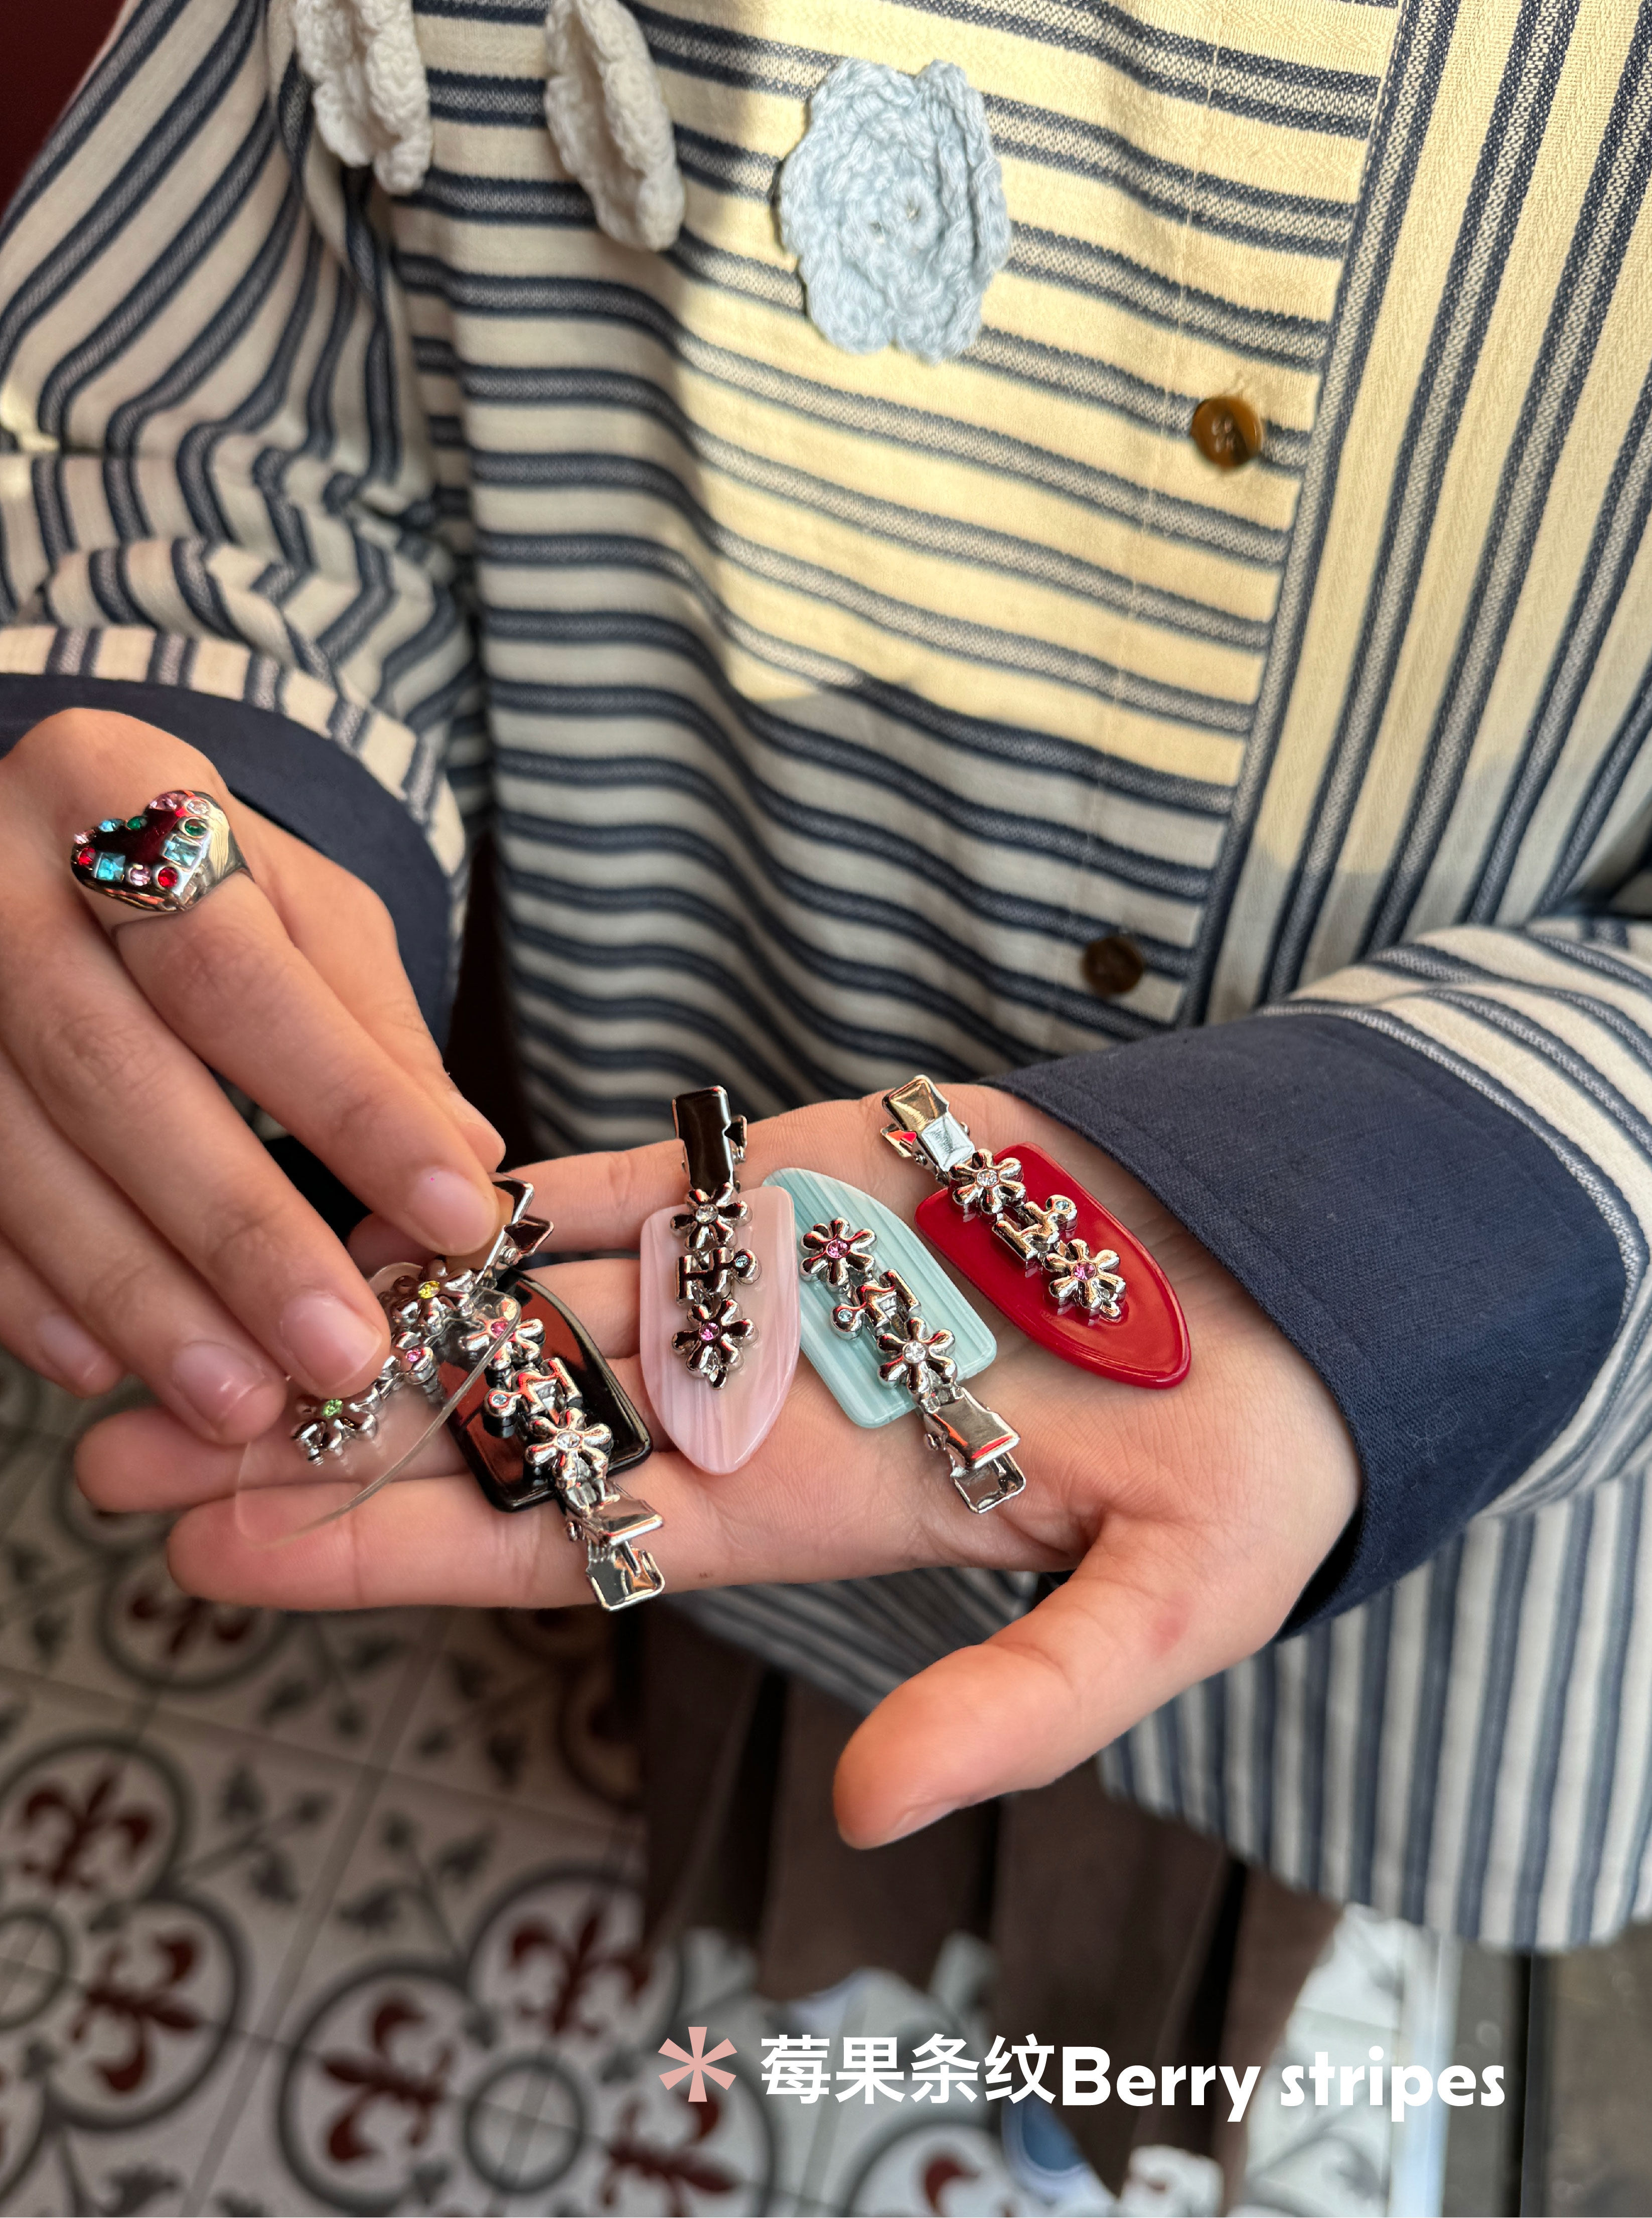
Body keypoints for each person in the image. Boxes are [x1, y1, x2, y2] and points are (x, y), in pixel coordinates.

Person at [3, 0, 1650, 2198]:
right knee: (793, 1713)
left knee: (1188, 1841)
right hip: (722, 1050)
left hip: (1452, 1334)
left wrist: (1385, 1222)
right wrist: (214, 803)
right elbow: (205, 403)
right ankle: (819, 1968)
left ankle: (1103, 2083)